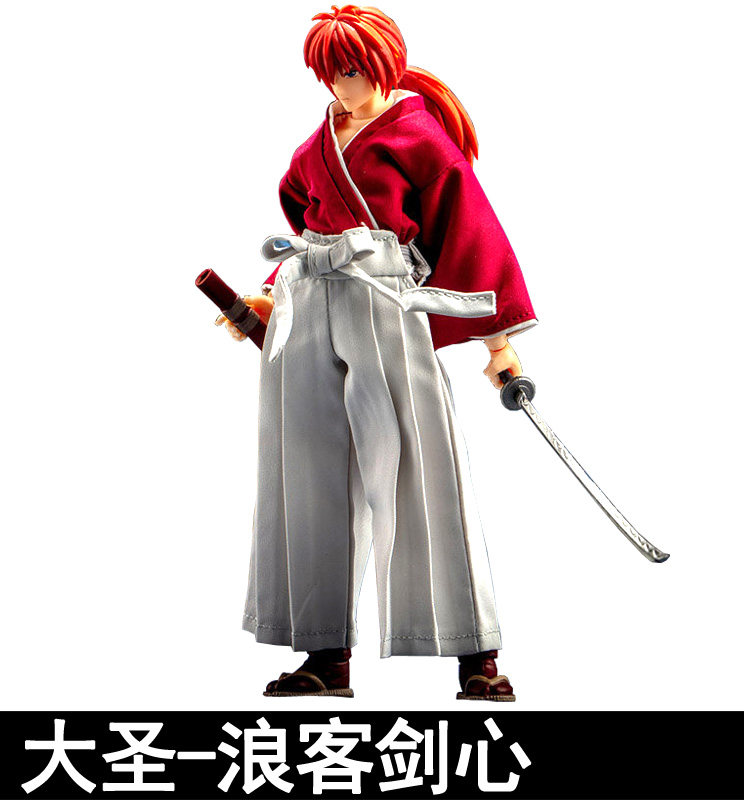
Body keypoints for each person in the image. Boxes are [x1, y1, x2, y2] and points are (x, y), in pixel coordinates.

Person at [217, 4, 537, 701]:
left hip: (384, 297)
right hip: (309, 301)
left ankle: (475, 654)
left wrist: (499, 347)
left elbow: (469, 232)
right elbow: (308, 224)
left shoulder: (418, 136)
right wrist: (271, 297)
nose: (343, 84)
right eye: (332, 72)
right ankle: (324, 655)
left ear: (384, 65)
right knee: (304, 472)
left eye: (354, 69)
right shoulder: (317, 143)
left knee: (422, 465)